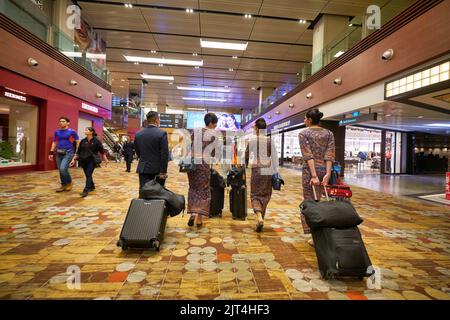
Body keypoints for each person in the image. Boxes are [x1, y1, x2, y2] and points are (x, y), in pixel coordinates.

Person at [298, 109, 335, 246]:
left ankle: (315, 235)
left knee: (310, 203)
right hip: (323, 169)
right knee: (318, 200)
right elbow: (329, 154)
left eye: (304, 118)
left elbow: (308, 155)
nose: (303, 121)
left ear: (309, 119)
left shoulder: (304, 133)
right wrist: (328, 173)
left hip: (310, 171)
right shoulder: (329, 133)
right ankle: (320, 232)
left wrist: (313, 175)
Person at [245, 118, 277, 233]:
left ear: (257, 129)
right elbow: (274, 157)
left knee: (255, 194)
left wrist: (245, 165)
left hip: (256, 168)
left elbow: (246, 155)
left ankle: (259, 217)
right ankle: (261, 217)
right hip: (268, 167)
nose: (254, 129)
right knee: (265, 193)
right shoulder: (270, 141)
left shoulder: (252, 141)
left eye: (254, 127)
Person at [186, 113, 218, 228]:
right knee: (203, 190)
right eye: (215, 124)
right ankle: (199, 219)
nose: (215, 126)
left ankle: (193, 214)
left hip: (193, 165)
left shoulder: (196, 132)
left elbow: (191, 146)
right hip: (204, 166)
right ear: (210, 123)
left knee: (193, 188)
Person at [134, 111, 169, 189]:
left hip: (143, 168)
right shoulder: (162, 133)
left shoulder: (138, 134)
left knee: (144, 191)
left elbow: (138, 152)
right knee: (157, 193)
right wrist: (163, 171)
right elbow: (164, 154)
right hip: (157, 170)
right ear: (156, 120)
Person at [70, 127, 108, 197]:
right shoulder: (83, 141)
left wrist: (105, 159)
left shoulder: (96, 141)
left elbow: (102, 151)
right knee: (88, 175)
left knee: (88, 174)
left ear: (91, 132)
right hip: (83, 160)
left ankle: (86, 190)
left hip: (92, 160)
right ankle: (92, 186)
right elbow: (78, 152)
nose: (85, 131)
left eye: (87, 130)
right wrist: (73, 159)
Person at [48, 117, 80, 192]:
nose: (61, 122)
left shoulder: (72, 131)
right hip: (58, 152)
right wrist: (51, 152)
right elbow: (54, 142)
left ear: (68, 123)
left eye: (63, 121)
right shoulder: (57, 132)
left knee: (63, 169)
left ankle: (69, 183)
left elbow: (78, 142)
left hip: (68, 152)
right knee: (61, 170)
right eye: (60, 121)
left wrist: (76, 153)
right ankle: (63, 185)